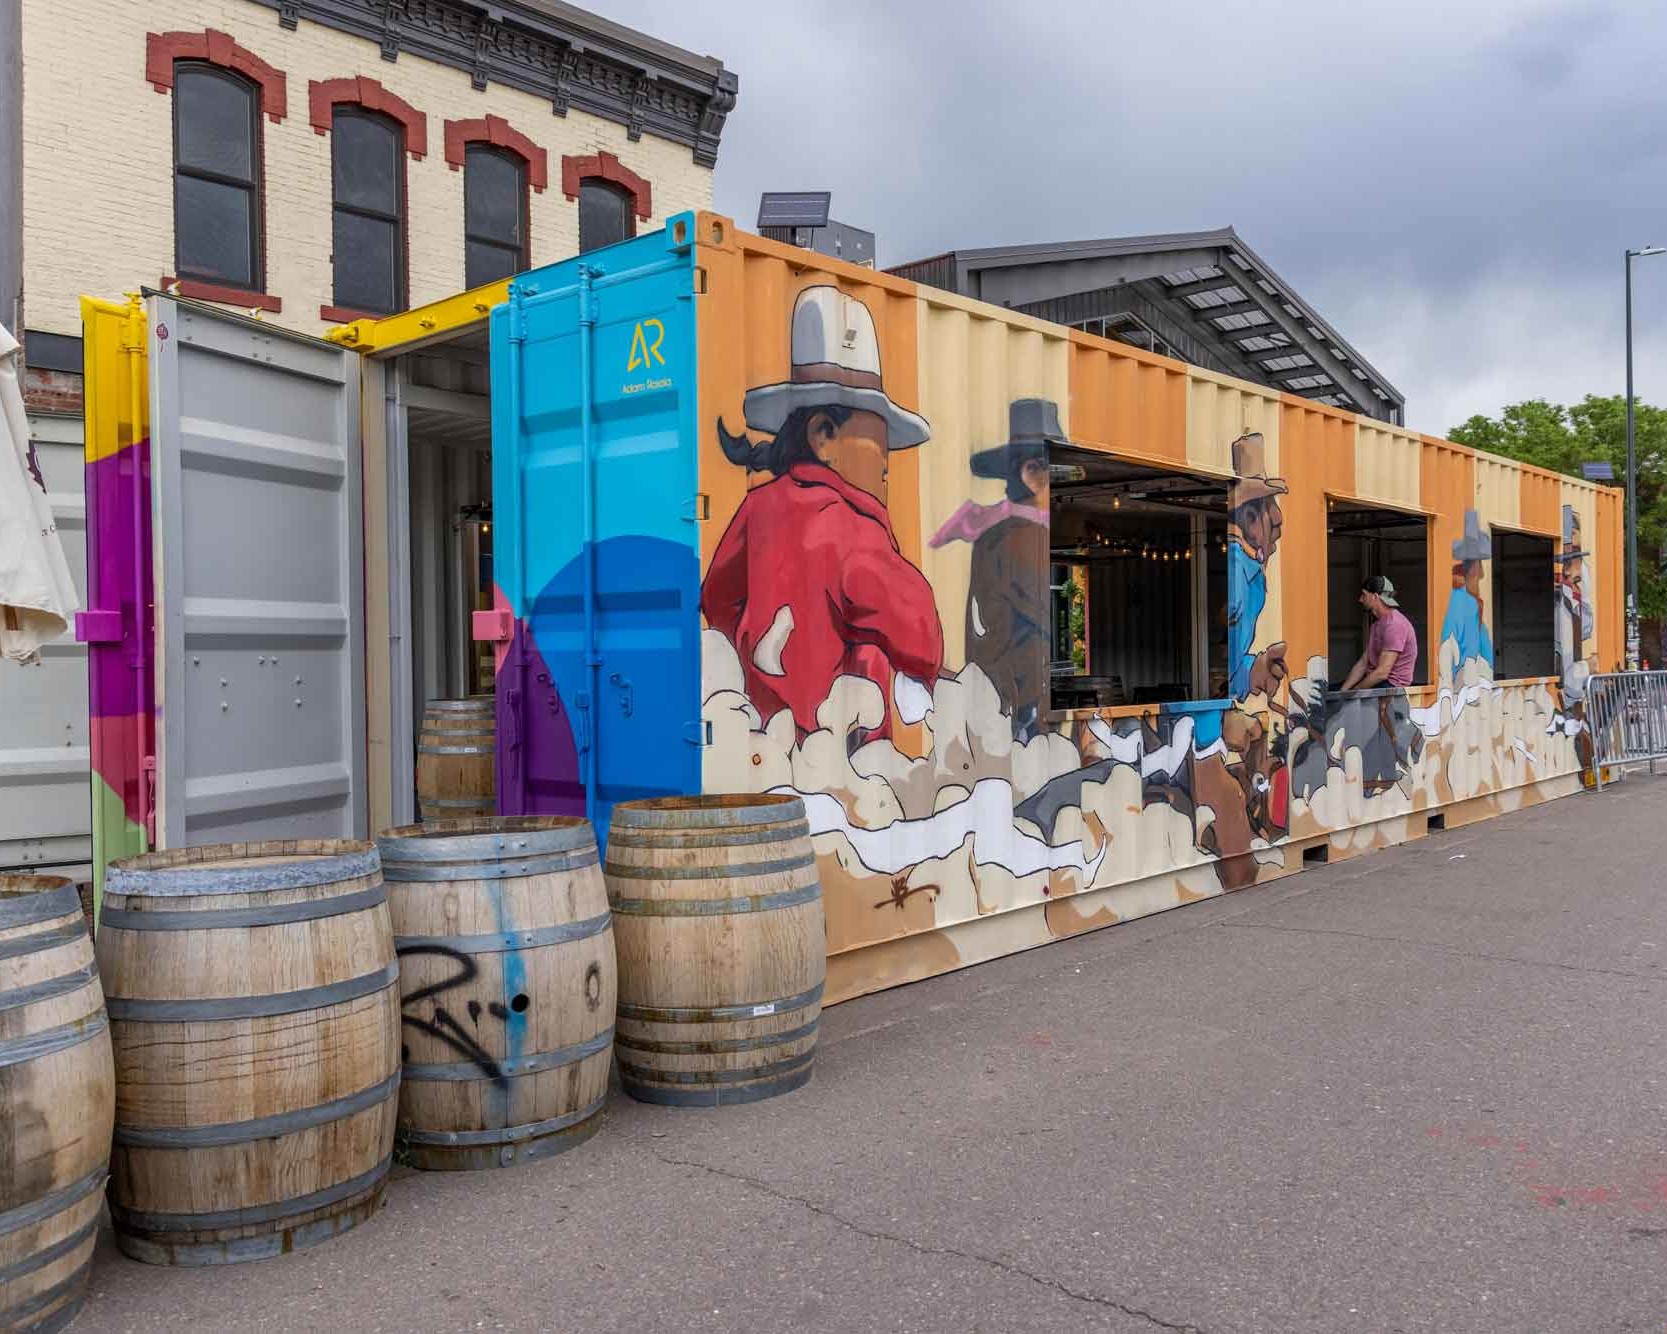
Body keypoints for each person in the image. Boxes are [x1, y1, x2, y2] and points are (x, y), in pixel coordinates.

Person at [701, 285, 944, 739]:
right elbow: (919, 630)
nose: (886, 460)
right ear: (824, 436)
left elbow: (717, 599)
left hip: (764, 744)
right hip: (846, 755)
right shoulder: (853, 527)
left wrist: (756, 654)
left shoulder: (757, 507)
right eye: (878, 437)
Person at [928, 398, 1060, 740]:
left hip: (996, 701)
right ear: (1029, 474)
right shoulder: (1025, 537)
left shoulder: (996, 534)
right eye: (1048, 470)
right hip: (1023, 710)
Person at [1226, 433, 1289, 704]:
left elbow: (1231, 658)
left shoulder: (1251, 572)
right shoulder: (1236, 569)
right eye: (1269, 507)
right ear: (1252, 519)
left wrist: (1255, 668)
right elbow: (1219, 651)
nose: (1278, 517)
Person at [1341, 574, 1418, 690]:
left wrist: (1354, 693)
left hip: (1391, 686)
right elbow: (1363, 662)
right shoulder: (1377, 625)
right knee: (1330, 692)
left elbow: (1382, 673)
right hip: (1378, 681)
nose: (1360, 599)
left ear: (1375, 597)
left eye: (1364, 595)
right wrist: (1344, 690)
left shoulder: (1394, 625)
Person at [1440, 510, 1494, 676]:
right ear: (1474, 570)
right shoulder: (1465, 603)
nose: (1482, 574)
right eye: (1480, 566)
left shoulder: (1467, 601)